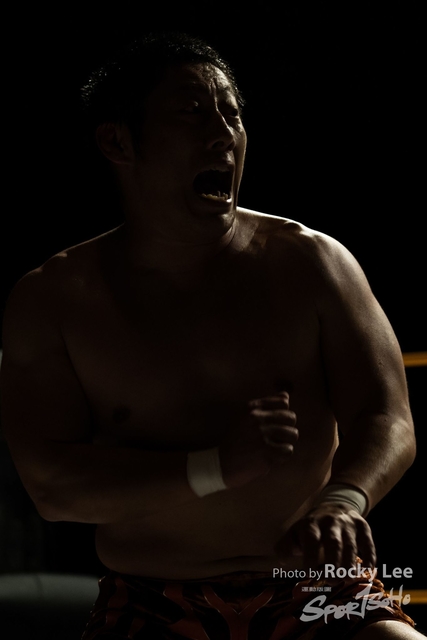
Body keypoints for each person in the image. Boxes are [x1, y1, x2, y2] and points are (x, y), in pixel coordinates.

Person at [1, 33, 423, 639]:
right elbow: (54, 489)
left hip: (316, 589)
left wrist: (344, 500)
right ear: (118, 142)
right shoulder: (55, 299)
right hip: (152, 595)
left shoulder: (313, 262)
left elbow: (388, 415)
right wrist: (216, 468)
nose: (224, 133)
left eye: (232, 113)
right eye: (192, 111)